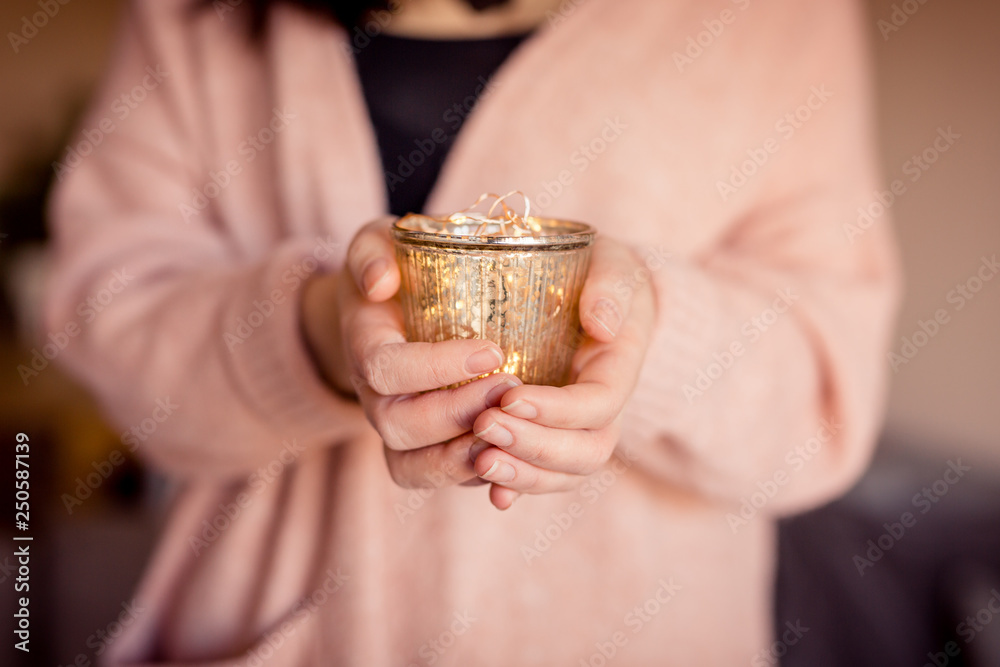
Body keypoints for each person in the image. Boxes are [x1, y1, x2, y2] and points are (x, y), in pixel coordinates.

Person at [44, 0, 901, 663]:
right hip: (273, 627)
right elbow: (108, 323)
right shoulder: (194, 15)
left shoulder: (778, 17)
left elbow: (824, 399)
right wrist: (315, 335)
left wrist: (652, 339)